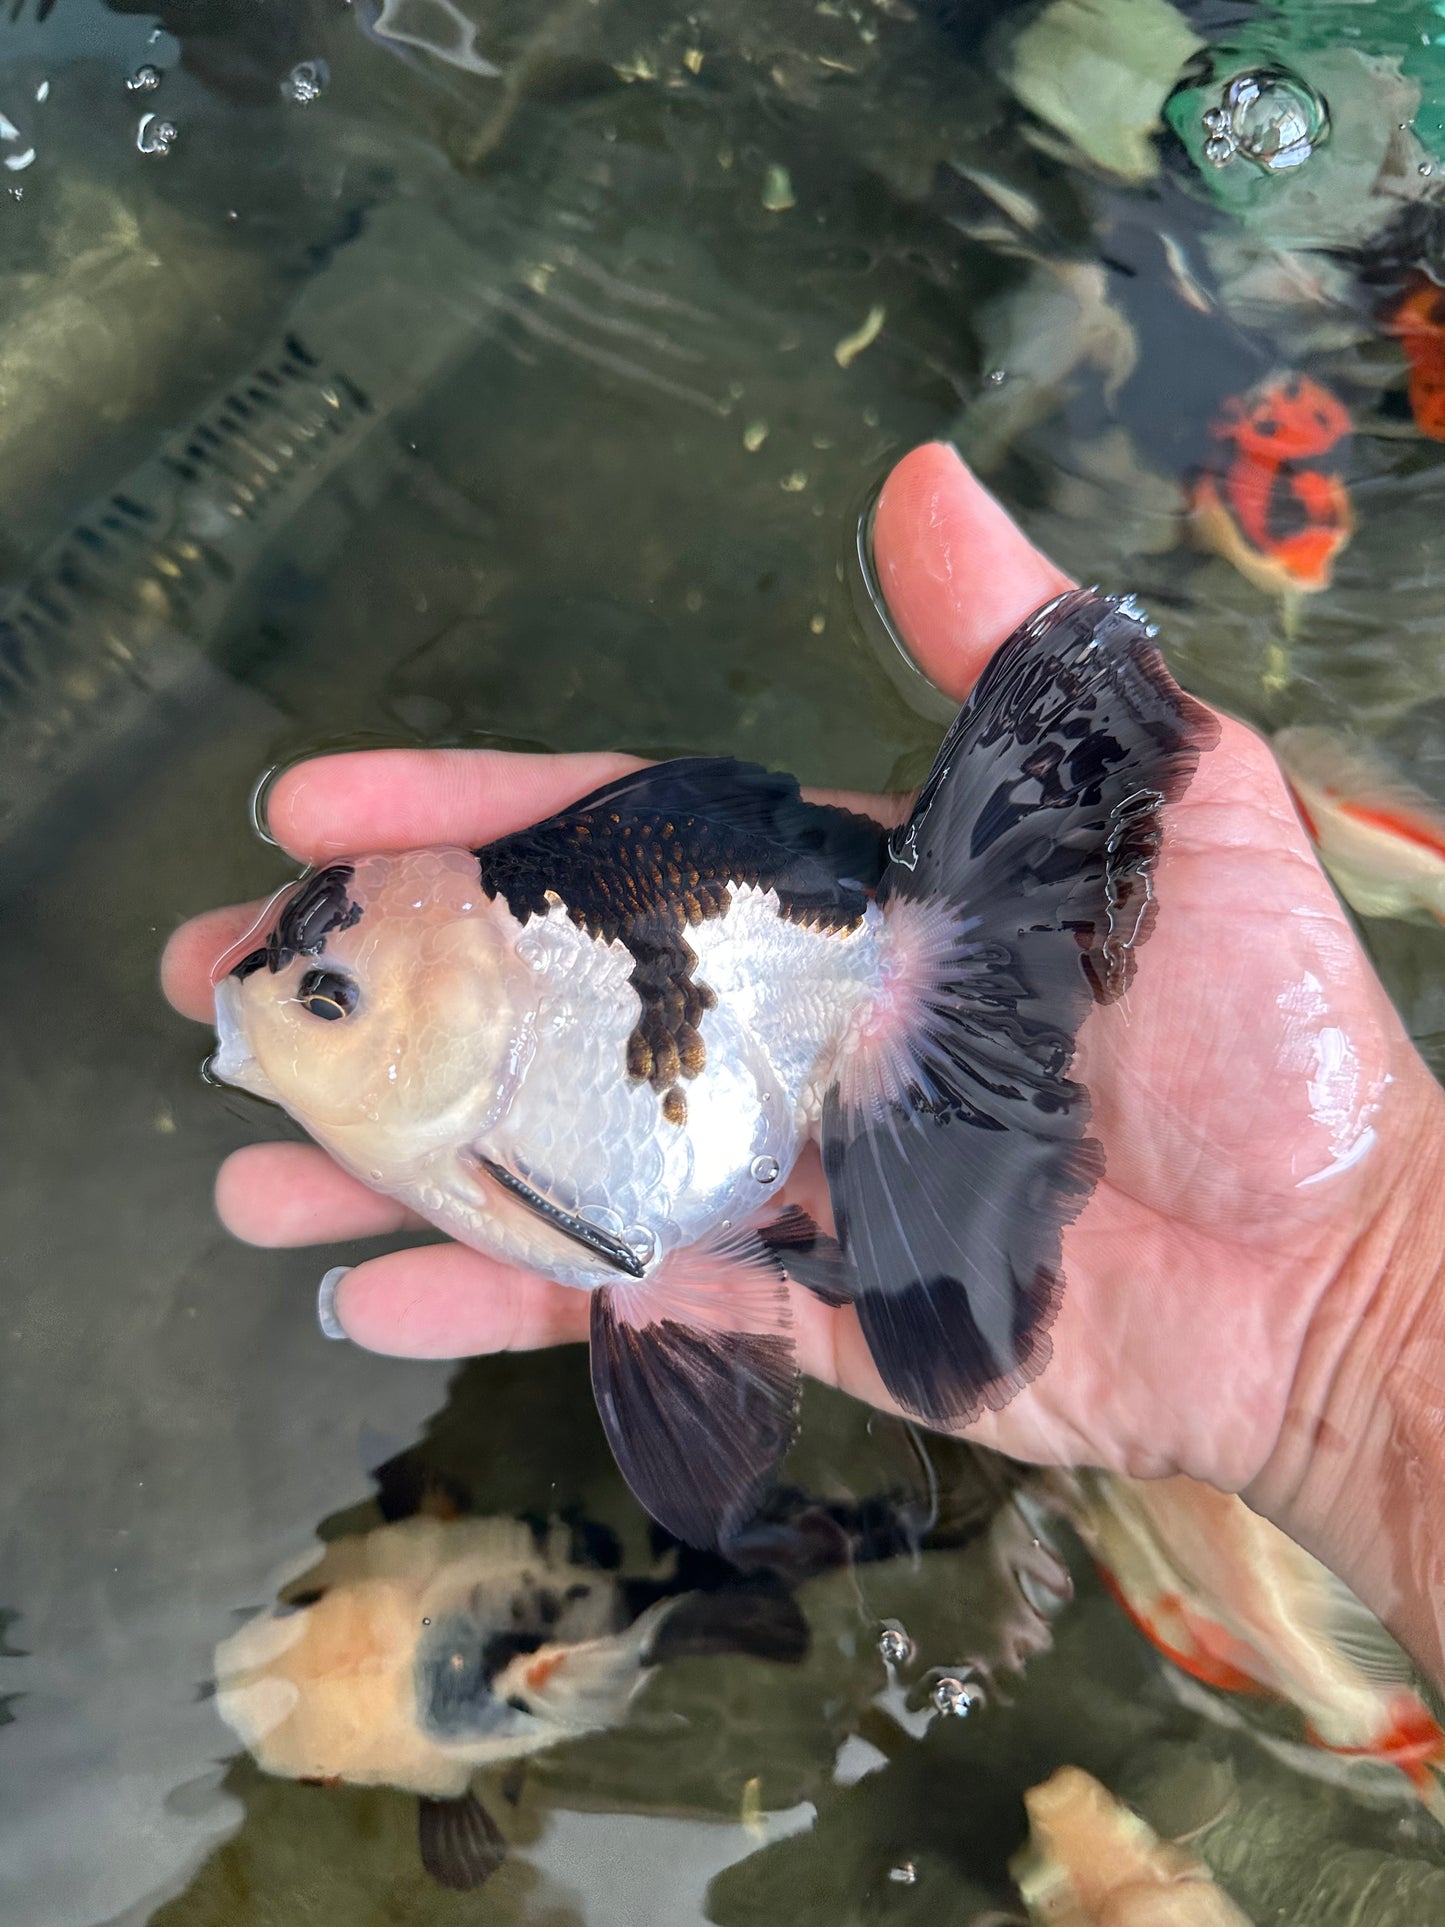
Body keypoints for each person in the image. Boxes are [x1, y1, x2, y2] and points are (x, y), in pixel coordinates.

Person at [161, 443, 1445, 1685]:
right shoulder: (461, 1097)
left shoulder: (503, 1105)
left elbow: (633, 1259)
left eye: (326, 1000)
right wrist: (1353, 1308)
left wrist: (1364, 1288)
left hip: (765, 975)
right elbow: (648, 1276)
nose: (266, 1013)